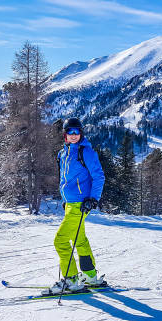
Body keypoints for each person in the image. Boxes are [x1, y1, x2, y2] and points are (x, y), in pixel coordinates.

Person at [48, 117, 105, 294]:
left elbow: (99, 176)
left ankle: (71, 279)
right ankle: (89, 276)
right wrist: (64, 200)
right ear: (65, 135)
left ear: (81, 133)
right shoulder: (62, 154)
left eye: (77, 132)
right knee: (79, 240)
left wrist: (93, 199)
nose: (74, 135)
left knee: (61, 241)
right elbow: (65, 180)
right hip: (70, 204)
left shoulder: (86, 152)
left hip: (81, 204)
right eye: (70, 132)